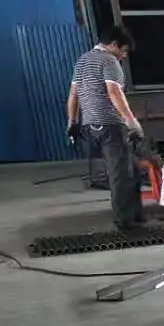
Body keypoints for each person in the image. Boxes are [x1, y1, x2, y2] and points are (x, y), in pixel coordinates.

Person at [67, 26, 149, 230]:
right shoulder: (109, 61)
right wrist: (131, 121)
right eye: (123, 50)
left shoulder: (82, 60)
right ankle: (125, 222)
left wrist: (72, 122)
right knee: (121, 174)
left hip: (90, 126)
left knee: (132, 167)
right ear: (113, 45)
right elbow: (114, 92)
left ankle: (136, 213)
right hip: (111, 126)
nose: (123, 56)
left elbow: (73, 95)